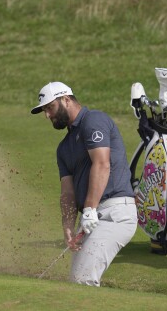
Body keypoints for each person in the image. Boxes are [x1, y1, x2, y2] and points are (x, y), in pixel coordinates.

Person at [31, 82, 137, 286]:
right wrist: (68, 224)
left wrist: (89, 209)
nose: (47, 115)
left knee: (82, 280)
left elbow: (102, 164)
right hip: (93, 217)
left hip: (114, 214)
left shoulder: (93, 120)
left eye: (50, 107)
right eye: (44, 110)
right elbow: (67, 192)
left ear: (66, 100)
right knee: (77, 280)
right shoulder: (63, 148)